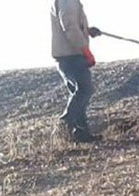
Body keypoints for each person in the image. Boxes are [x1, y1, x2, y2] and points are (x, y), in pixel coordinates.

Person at [51, 0, 102, 142]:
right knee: (85, 90)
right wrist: (85, 50)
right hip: (72, 56)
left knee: (78, 94)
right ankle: (65, 122)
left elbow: (72, 26)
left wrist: (86, 30)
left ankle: (81, 134)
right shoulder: (68, 1)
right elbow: (70, 27)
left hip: (67, 56)